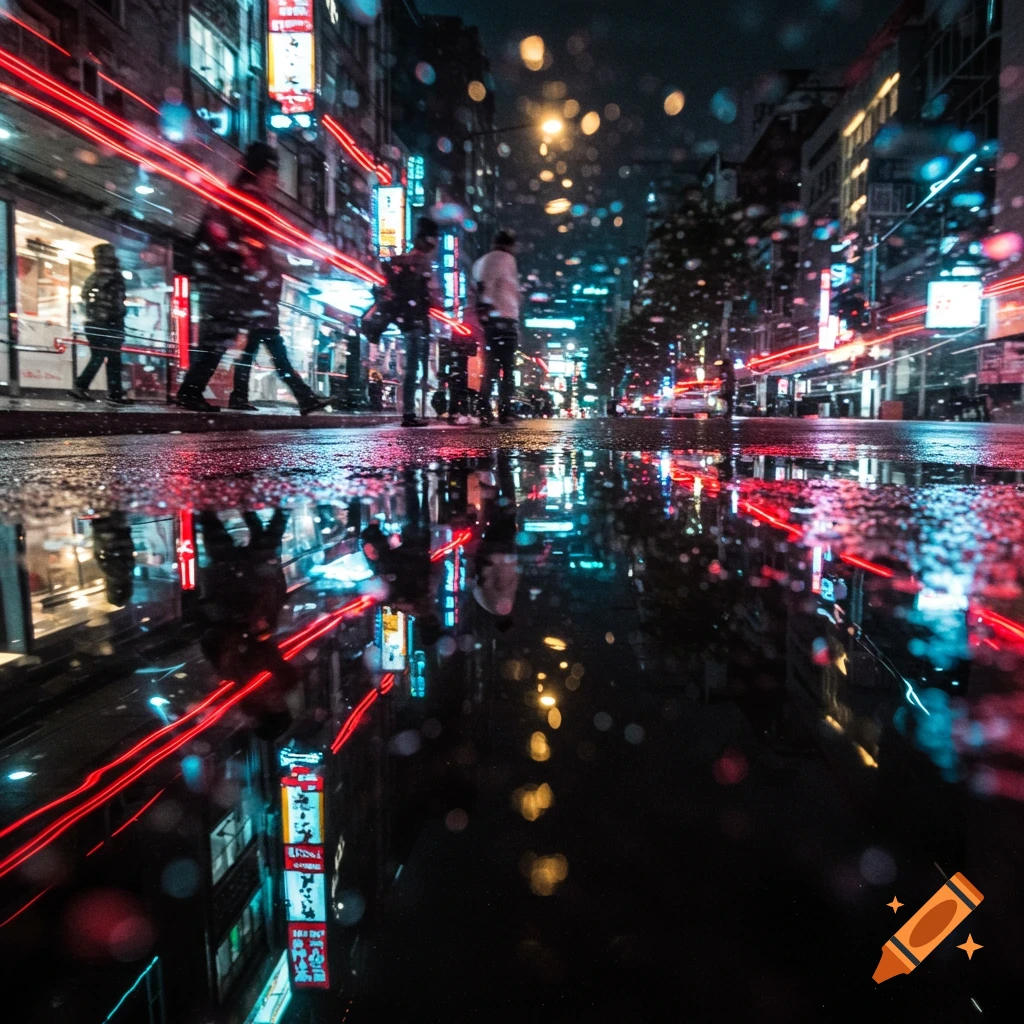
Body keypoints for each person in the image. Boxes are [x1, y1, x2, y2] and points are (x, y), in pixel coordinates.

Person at [176, 143, 331, 415]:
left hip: (243, 290)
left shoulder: (245, 199)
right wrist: (256, 272)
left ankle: (301, 396)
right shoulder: (246, 201)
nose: (276, 179)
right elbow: (241, 246)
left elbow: (250, 248)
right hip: (236, 289)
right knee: (220, 342)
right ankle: (191, 393)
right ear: (259, 172)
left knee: (240, 343)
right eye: (272, 172)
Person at [361, 217, 443, 427]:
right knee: (414, 367)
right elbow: (427, 295)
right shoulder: (422, 262)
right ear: (430, 240)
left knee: (412, 367)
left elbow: (391, 279)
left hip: (404, 317)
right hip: (415, 319)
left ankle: (409, 412)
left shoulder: (401, 261)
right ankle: (409, 413)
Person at [71, 244, 132, 405]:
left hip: (92, 324)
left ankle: (83, 387)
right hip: (111, 325)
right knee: (113, 359)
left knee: (98, 356)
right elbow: (118, 304)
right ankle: (113, 393)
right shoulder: (116, 278)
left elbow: (84, 299)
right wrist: (120, 316)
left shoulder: (93, 277)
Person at [473, 229, 521, 425]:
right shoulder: (506, 260)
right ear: (510, 245)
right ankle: (504, 410)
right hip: (506, 318)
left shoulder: (482, 261)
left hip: (492, 320)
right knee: (507, 367)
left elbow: (480, 286)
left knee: (491, 366)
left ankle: (484, 408)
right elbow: (499, 288)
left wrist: (483, 311)